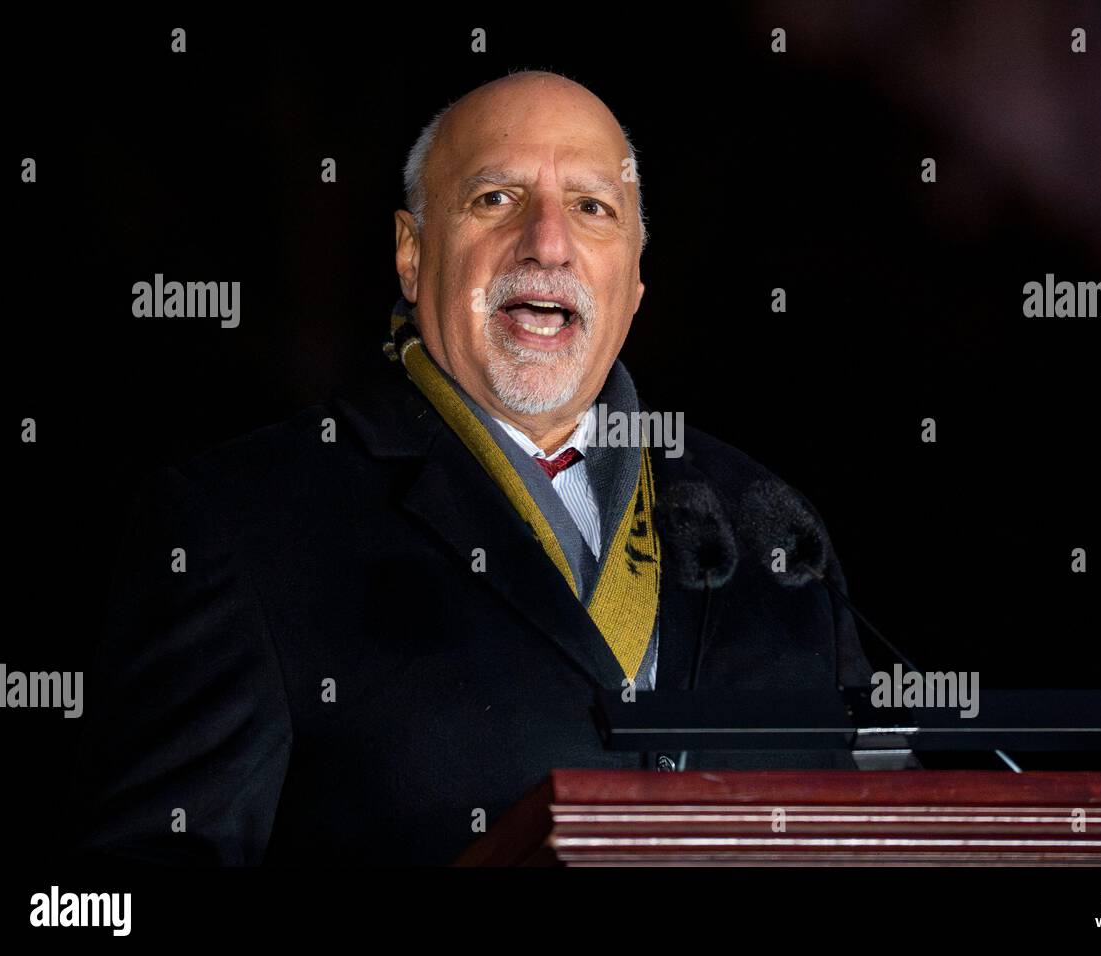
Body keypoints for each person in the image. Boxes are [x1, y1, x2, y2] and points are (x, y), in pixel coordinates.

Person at [69, 70, 873, 866]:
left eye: (592, 208)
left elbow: (879, 826)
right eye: (497, 200)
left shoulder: (766, 522)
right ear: (412, 255)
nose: (548, 243)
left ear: (633, 280)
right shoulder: (244, 526)